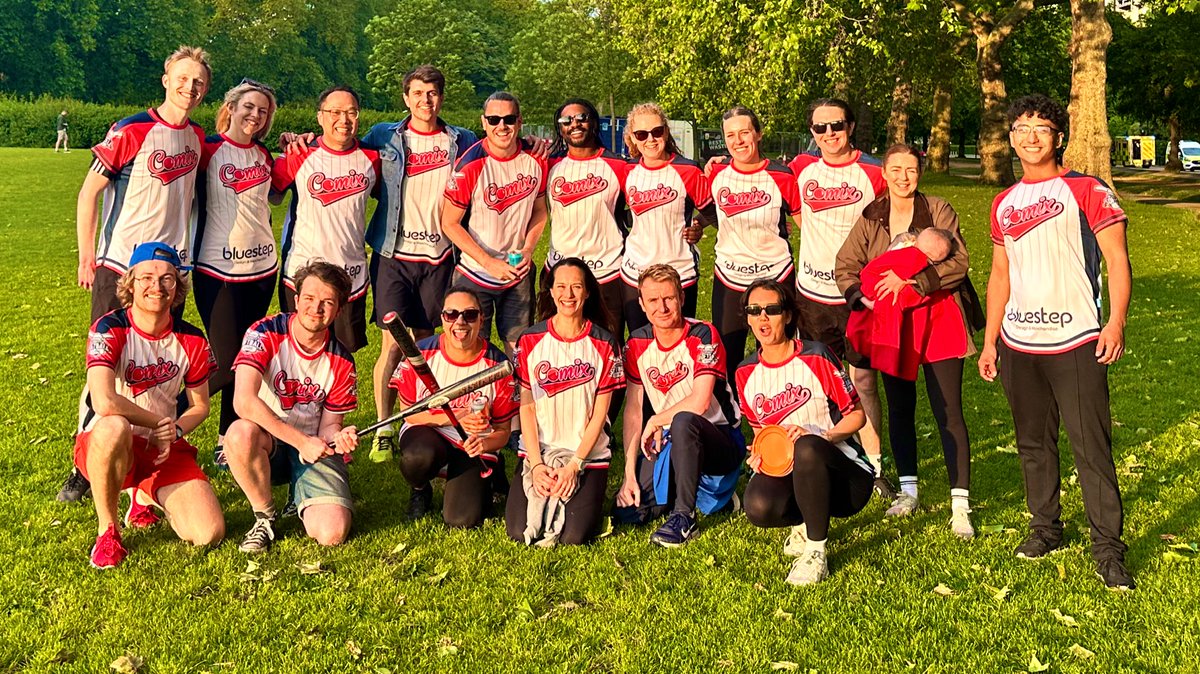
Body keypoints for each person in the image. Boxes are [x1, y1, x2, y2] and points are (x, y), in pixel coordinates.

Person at [979, 95, 1134, 590]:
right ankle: (1045, 528)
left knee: (1091, 448)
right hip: (1019, 343)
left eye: (1041, 128)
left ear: (1058, 137)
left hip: (1077, 339)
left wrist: (1116, 323)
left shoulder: (1087, 189)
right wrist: (990, 341)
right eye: (1021, 129)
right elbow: (1000, 274)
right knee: (1033, 444)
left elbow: (1117, 261)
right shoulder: (1003, 202)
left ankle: (1108, 549)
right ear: (1011, 139)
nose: (1030, 137)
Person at [61, 45, 211, 504]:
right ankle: (84, 464)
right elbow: (89, 193)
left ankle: (155, 449)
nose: (189, 87)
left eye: (198, 82)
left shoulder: (197, 137)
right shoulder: (131, 130)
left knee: (161, 365)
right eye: (182, 78)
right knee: (105, 365)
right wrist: (87, 256)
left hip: (169, 274)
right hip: (120, 267)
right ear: (166, 79)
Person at [836, 144, 984, 538]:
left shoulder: (938, 209)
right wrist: (863, 298)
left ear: (920, 173)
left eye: (912, 170)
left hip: (939, 320)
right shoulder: (872, 215)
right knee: (900, 408)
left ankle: (960, 504)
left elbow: (958, 262)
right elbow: (845, 265)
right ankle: (909, 491)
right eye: (896, 170)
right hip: (893, 327)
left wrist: (912, 282)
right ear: (884, 173)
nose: (904, 177)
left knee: (948, 410)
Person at [74, 242, 224, 569]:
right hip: (107, 442)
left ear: (178, 287)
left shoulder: (192, 339)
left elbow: (200, 405)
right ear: (130, 284)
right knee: (113, 426)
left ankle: (143, 493)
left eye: (167, 278)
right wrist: (158, 422)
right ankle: (108, 531)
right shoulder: (109, 328)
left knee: (208, 532)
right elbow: (104, 400)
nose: (156, 286)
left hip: (159, 447)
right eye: (146, 278)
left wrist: (175, 431)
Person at [359, 65, 480, 463]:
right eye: (417, 93)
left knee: (429, 342)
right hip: (394, 255)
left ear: (441, 98)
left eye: (432, 93)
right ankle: (384, 426)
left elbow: (499, 151)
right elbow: (344, 149)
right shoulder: (384, 135)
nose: (425, 100)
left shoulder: (462, 139)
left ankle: (424, 420)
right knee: (393, 343)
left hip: (439, 256)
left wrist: (534, 143)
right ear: (405, 98)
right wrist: (303, 140)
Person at [737, 279, 873, 586]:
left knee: (807, 447)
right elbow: (763, 434)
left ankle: (815, 552)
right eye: (754, 310)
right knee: (758, 506)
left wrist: (822, 437)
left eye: (772, 309)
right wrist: (760, 457)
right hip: (794, 474)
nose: (762, 317)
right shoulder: (745, 372)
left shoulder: (816, 355)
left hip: (845, 477)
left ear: (787, 315)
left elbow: (857, 416)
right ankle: (803, 522)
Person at [223, 261, 360, 553]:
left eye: (327, 302)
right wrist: (300, 442)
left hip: (312, 446)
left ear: (338, 310)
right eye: (309, 298)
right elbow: (243, 401)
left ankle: (298, 494)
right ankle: (264, 516)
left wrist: (339, 436)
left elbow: (329, 426)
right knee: (239, 434)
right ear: (296, 300)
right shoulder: (265, 332)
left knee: (332, 533)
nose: (316, 308)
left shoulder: (342, 361)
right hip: (269, 442)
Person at [789, 98, 890, 493]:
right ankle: (829, 453)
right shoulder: (800, 168)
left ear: (850, 127)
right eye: (821, 127)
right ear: (812, 133)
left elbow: (897, 221)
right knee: (820, 382)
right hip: (812, 295)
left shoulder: (875, 171)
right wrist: (714, 164)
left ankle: (875, 464)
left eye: (836, 125)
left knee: (863, 379)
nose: (829, 133)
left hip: (858, 295)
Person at [614, 265, 743, 547]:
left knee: (684, 420)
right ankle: (687, 489)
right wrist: (628, 475)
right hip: (670, 438)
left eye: (669, 298)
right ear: (641, 304)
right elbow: (633, 411)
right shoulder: (636, 343)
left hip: (718, 438)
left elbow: (700, 402)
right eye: (653, 300)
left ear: (682, 298)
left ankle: (685, 517)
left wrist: (656, 419)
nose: (661, 307)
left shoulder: (703, 334)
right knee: (631, 512)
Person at [506, 258, 624, 546]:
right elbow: (527, 408)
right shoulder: (530, 340)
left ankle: (588, 492)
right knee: (517, 531)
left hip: (586, 455)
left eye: (576, 287)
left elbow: (600, 415)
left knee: (573, 537)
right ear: (550, 291)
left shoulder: (605, 343)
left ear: (587, 292)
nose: (568, 294)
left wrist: (574, 466)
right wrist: (536, 465)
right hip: (541, 450)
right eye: (560, 286)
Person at [193, 79, 279, 467]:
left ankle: (227, 439)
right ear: (230, 108)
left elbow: (276, 193)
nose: (255, 115)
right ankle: (165, 411)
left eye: (263, 111)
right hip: (218, 271)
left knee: (246, 359)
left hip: (262, 270)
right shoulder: (208, 149)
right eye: (248, 107)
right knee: (226, 361)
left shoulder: (264, 155)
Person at [388, 286, 518, 526]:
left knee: (461, 519)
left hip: (473, 443)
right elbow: (409, 414)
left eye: (469, 314)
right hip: (429, 430)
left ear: (481, 319)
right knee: (417, 458)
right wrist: (454, 416)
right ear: (442, 319)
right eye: (451, 314)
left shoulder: (498, 365)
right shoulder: (421, 353)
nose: (460, 322)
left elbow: (502, 431)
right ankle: (420, 488)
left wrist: (484, 444)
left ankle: (489, 473)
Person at [270, 85, 380, 353]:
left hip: (350, 274)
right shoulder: (299, 153)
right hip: (302, 271)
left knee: (344, 352)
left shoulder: (373, 157)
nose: (344, 120)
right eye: (335, 112)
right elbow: (270, 195)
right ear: (320, 117)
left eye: (351, 112)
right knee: (298, 350)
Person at [697, 106, 801, 386]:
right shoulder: (715, 172)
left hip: (775, 274)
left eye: (744, 132)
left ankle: (775, 405)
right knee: (727, 355)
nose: (738, 141)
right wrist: (696, 225)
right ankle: (733, 411)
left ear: (758, 134)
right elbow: (709, 210)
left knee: (776, 352)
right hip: (729, 276)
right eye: (730, 135)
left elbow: (808, 225)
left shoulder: (782, 175)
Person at [440, 91, 548, 354]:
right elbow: (449, 223)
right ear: (484, 122)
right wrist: (488, 262)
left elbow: (540, 210)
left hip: (517, 271)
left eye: (509, 119)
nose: (502, 126)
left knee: (518, 347)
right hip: (475, 272)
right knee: (472, 349)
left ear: (520, 121)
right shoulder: (471, 163)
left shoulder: (536, 158)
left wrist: (528, 249)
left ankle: (514, 384)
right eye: (494, 119)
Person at [619, 103, 710, 332]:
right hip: (635, 271)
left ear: (666, 132)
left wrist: (698, 225)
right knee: (639, 340)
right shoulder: (626, 171)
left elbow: (716, 210)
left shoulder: (688, 170)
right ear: (632, 138)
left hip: (679, 271)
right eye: (642, 134)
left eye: (657, 131)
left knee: (679, 340)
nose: (650, 139)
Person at [543, 98, 630, 337]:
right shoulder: (549, 164)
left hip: (607, 271)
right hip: (559, 268)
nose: (575, 124)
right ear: (560, 127)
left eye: (582, 117)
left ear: (593, 122)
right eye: (566, 120)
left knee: (608, 343)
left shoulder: (618, 165)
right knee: (556, 342)